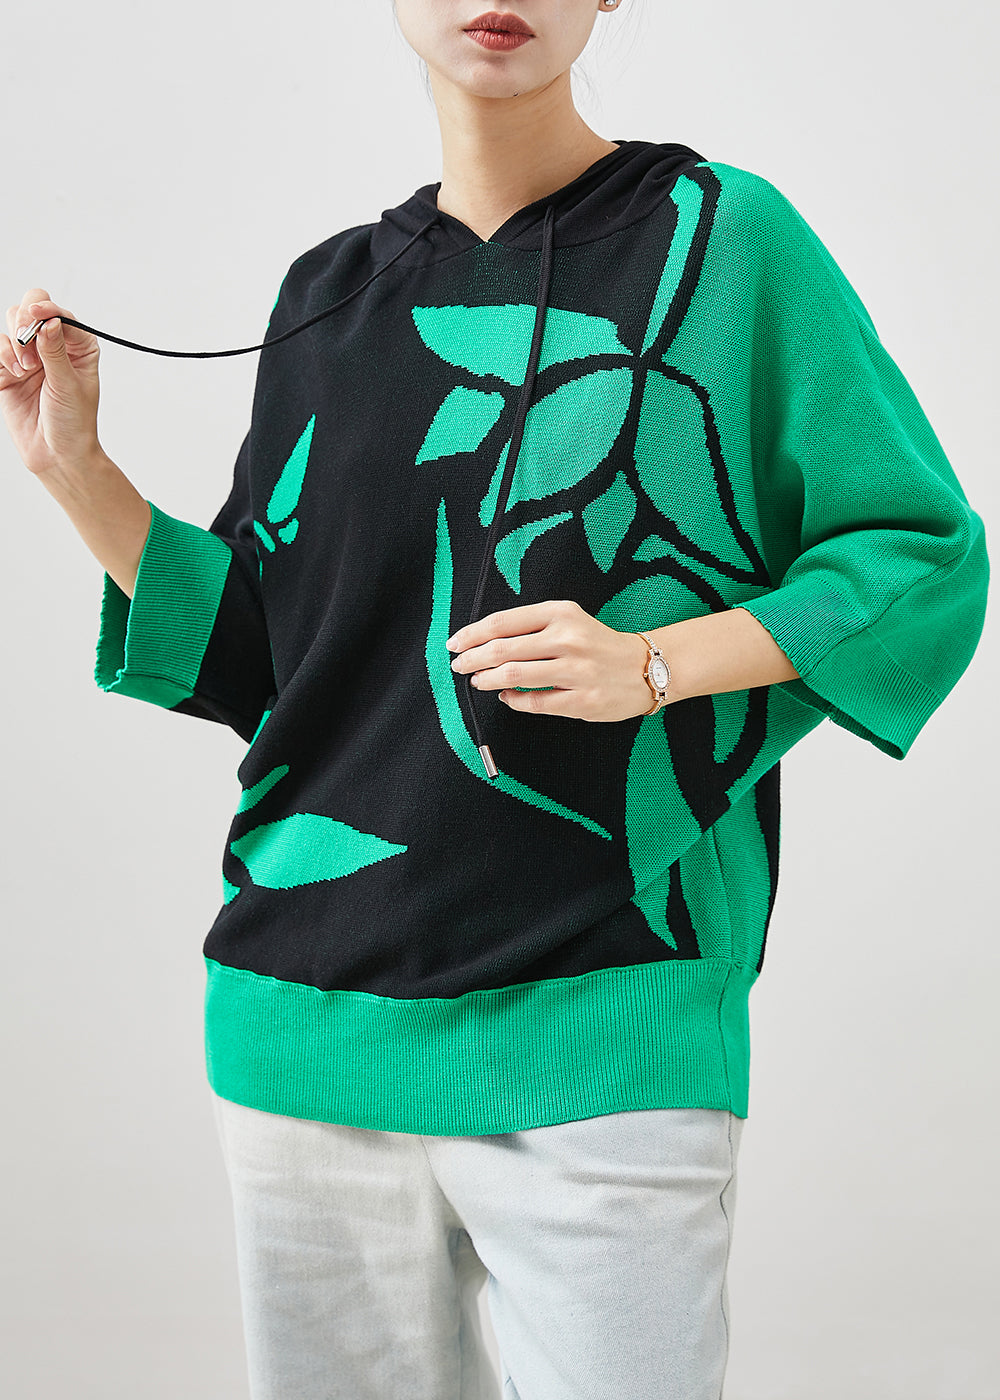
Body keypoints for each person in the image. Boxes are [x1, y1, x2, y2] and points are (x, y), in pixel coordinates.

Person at [1, 3, 990, 1398]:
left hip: (606, 1028)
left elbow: (918, 555)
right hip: (304, 1029)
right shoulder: (326, 295)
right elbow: (275, 667)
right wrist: (76, 472)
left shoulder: (722, 242)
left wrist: (655, 663)